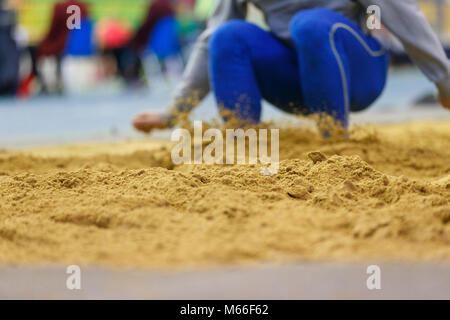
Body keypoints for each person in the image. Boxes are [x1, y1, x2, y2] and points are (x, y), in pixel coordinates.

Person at [132, 0, 450, 133]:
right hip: (297, 81)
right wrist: (172, 114)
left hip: (359, 74)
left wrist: (444, 82)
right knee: (228, 36)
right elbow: (212, 39)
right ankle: (245, 150)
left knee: (309, 24)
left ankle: (334, 143)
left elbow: (404, 15)